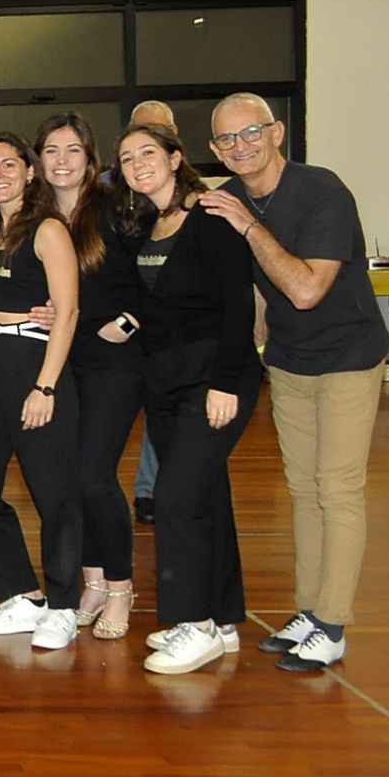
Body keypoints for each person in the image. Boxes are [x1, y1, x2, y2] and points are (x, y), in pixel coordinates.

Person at [199, 94, 387, 672]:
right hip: (288, 359)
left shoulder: (322, 192)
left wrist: (248, 225)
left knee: (338, 487)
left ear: (277, 132)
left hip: (348, 356)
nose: (241, 146)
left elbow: (306, 290)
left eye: (251, 132)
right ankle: (310, 610)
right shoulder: (227, 198)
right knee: (303, 490)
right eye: (227, 139)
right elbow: (245, 288)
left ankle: (333, 623)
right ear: (214, 150)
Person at [115, 123, 259, 675]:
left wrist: (225, 382)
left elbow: (237, 305)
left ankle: (192, 623)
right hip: (166, 383)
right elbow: (151, 305)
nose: (137, 164)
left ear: (176, 158)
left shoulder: (211, 216)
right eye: (127, 158)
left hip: (213, 379)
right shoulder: (147, 225)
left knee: (175, 497)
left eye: (147, 153)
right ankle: (223, 619)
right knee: (207, 496)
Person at [0, 132, 84, 649]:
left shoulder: (48, 229)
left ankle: (64, 606)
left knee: (53, 494)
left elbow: (67, 312)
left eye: (9, 165)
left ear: (30, 172)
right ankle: (21, 596)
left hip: (32, 360)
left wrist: (45, 386)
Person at [36, 114, 143, 639]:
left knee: (94, 476)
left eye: (72, 150)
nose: (61, 161)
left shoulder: (115, 206)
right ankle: (94, 580)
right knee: (71, 477)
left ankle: (121, 587)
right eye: (51, 151)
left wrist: (128, 322)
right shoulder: (32, 214)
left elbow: (154, 271)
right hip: (62, 358)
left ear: (89, 157)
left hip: (113, 361)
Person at [126, 101, 179, 522]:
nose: (140, 161)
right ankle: (149, 490)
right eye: (131, 153)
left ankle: (153, 490)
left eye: (153, 143)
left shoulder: (200, 206)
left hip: (184, 349)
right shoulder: (122, 200)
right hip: (136, 340)